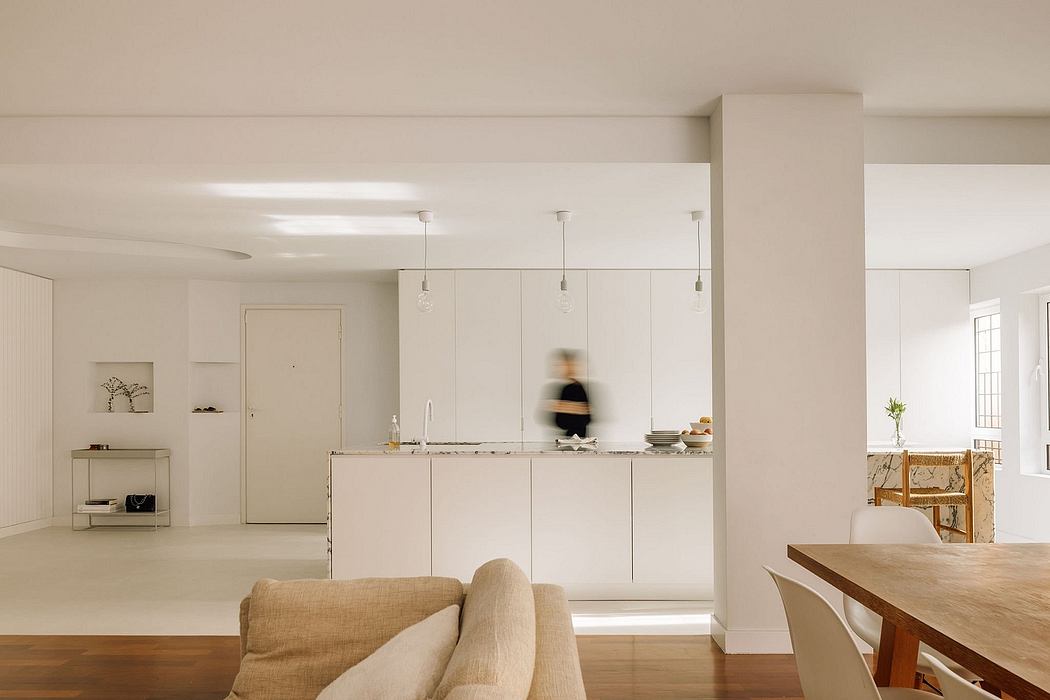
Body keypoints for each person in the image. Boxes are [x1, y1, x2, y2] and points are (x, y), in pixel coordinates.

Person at [545, 349, 592, 438]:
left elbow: (587, 416)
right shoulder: (565, 388)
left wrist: (564, 407)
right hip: (566, 440)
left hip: (579, 440)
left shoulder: (579, 388)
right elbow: (558, 421)